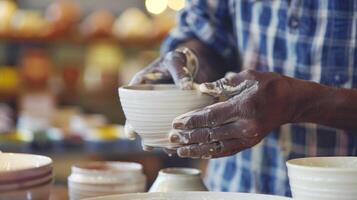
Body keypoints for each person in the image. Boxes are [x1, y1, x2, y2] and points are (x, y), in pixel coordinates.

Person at [128, 0, 357, 196]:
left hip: (343, 190)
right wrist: (190, 64)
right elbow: (208, 38)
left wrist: (300, 103)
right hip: (237, 187)